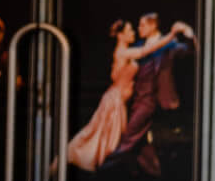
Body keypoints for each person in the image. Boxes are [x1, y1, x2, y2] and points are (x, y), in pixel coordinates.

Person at [67, 18, 186, 171]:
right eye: (129, 30)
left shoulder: (126, 52)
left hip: (121, 102)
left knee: (105, 138)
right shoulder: (123, 52)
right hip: (114, 102)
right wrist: (171, 35)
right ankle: (90, 166)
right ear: (121, 35)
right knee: (105, 140)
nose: (133, 32)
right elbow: (145, 51)